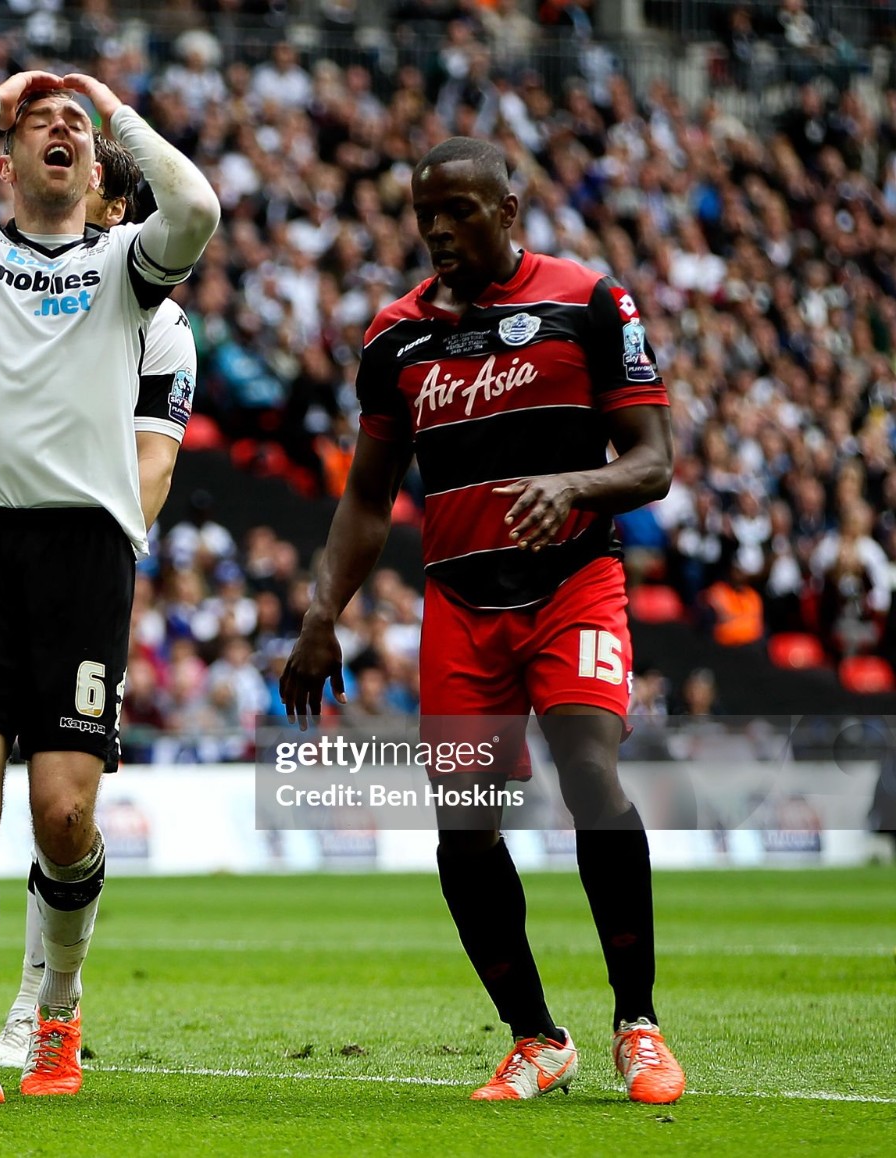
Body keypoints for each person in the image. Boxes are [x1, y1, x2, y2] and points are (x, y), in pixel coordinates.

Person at [279, 137, 686, 1105]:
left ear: (508, 210)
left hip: (572, 584)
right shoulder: (394, 338)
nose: (436, 230)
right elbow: (367, 498)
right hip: (461, 608)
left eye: (457, 210)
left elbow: (653, 459)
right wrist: (318, 613)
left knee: (589, 769)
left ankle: (637, 1022)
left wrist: (576, 483)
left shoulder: (588, 300)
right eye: (424, 213)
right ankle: (536, 1038)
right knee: (464, 831)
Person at [0, 71, 218, 1104]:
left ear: (101, 170)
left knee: (63, 817)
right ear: (7, 161)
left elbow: (197, 208)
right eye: (40, 128)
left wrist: (113, 113)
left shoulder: (128, 271)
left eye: (79, 135)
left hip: (84, 558)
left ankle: (55, 1007)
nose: (61, 135)